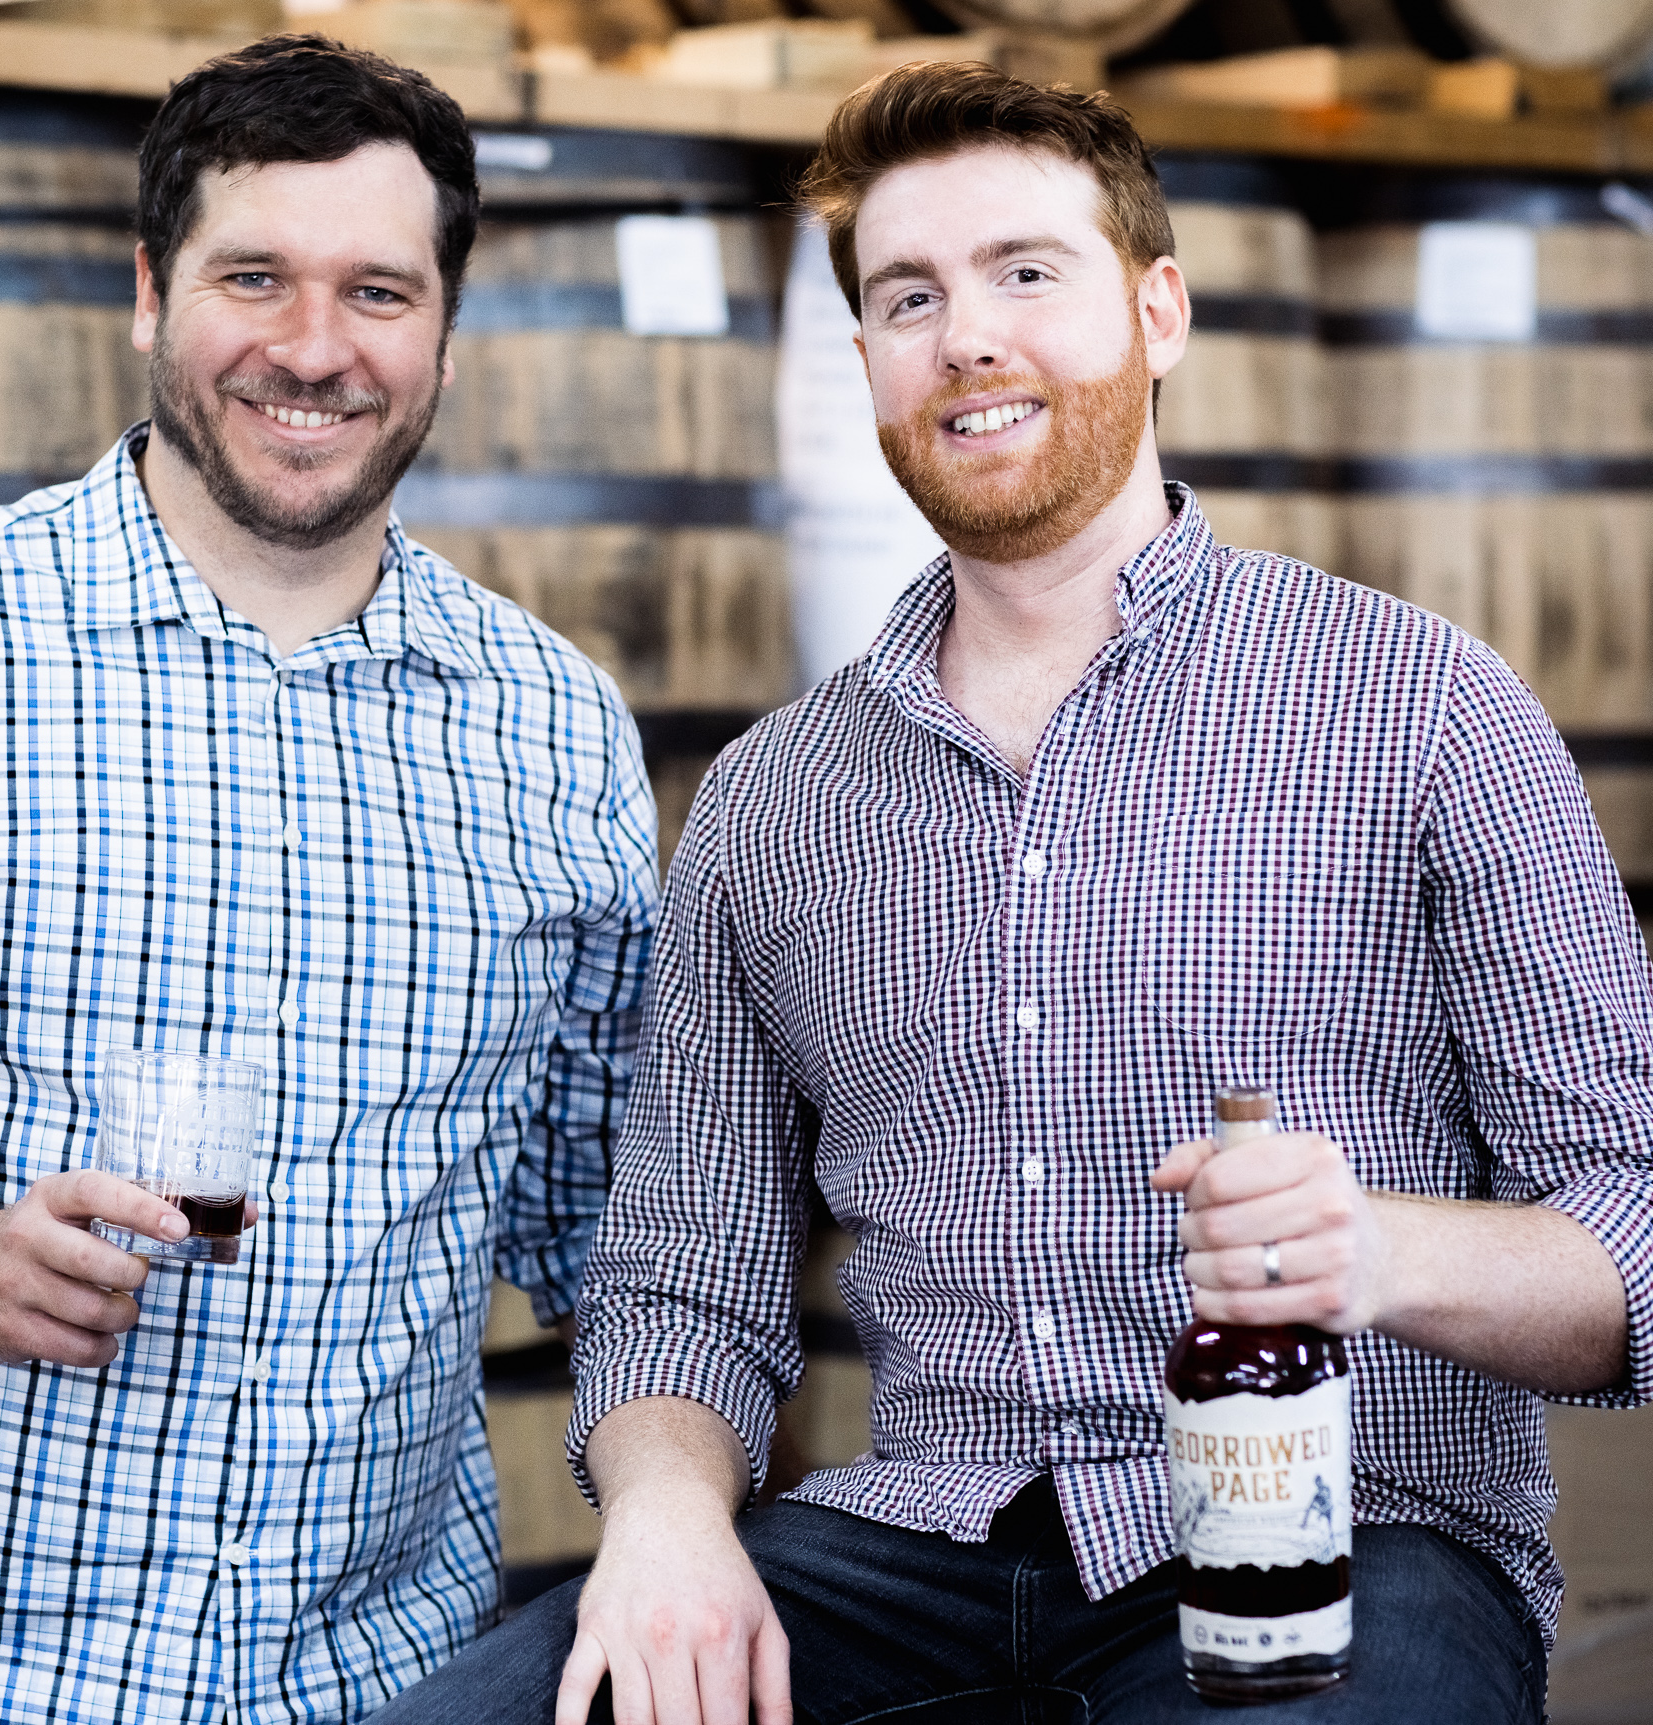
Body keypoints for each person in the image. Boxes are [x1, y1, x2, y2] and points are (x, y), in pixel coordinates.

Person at [367, 61, 1653, 1725]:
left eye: (1025, 274)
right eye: (912, 296)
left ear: (1160, 310)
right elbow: (684, 1278)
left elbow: (1635, 1230)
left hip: (1340, 1531)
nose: (966, 335)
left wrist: (1379, 1252)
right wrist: (674, 1518)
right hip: (923, 1552)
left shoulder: (1420, 705)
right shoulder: (773, 797)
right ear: (870, 369)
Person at [0, 35, 656, 1725]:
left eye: (379, 291)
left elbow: (618, 1218)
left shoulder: (553, 726)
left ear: (449, 338)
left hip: (374, 1673)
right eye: (257, 277)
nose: (315, 349)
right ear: (152, 292)